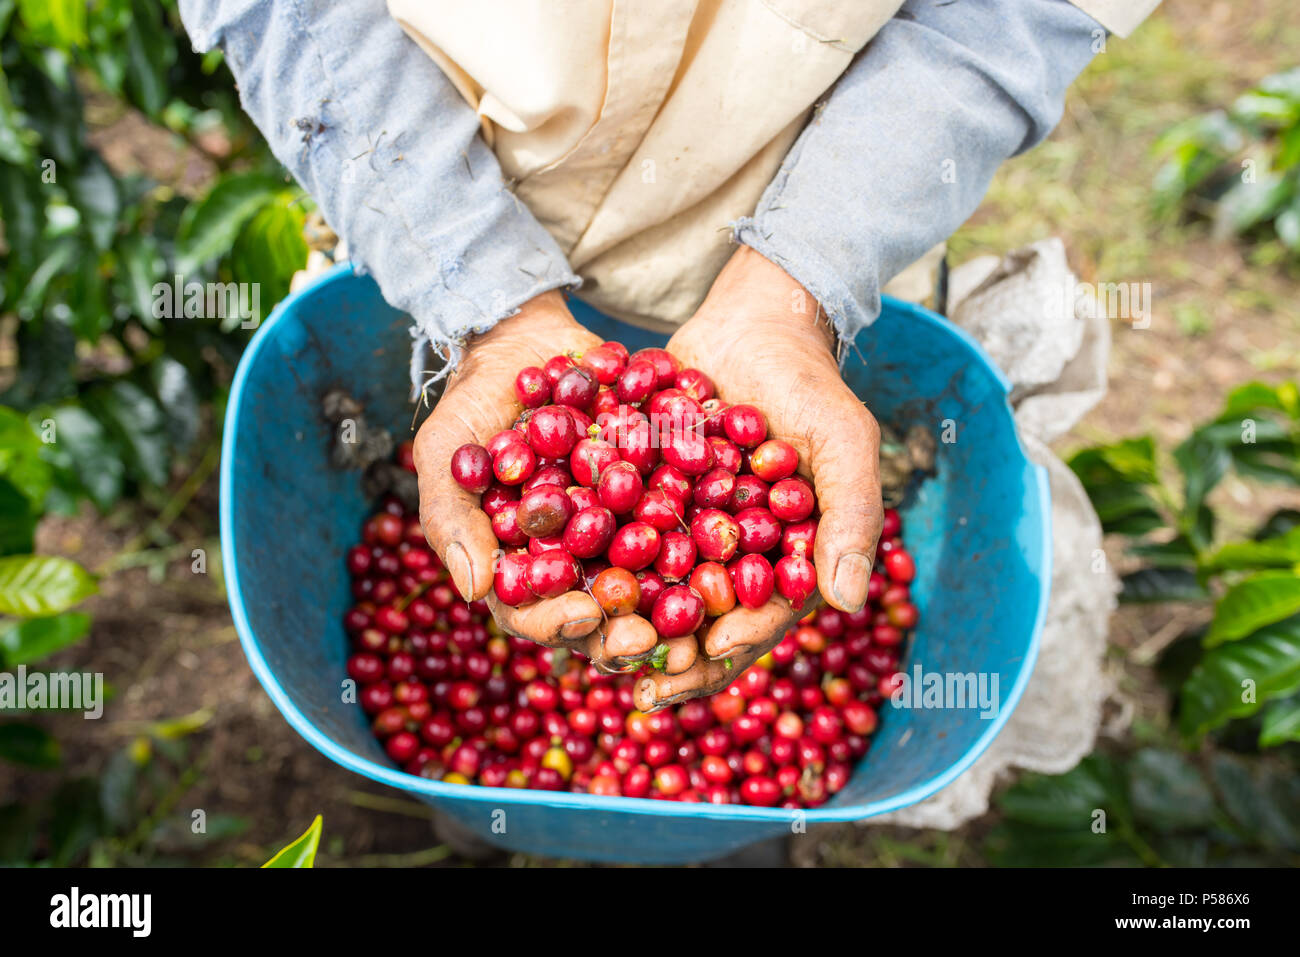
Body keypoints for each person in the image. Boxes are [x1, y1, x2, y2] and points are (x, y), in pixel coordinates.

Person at [180, 0, 1159, 711]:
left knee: (728, 648)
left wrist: (800, 285)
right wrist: (482, 301)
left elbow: (1014, 14)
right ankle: (492, 825)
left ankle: (731, 835)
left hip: (826, 214)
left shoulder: (638, 469)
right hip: (425, 194)